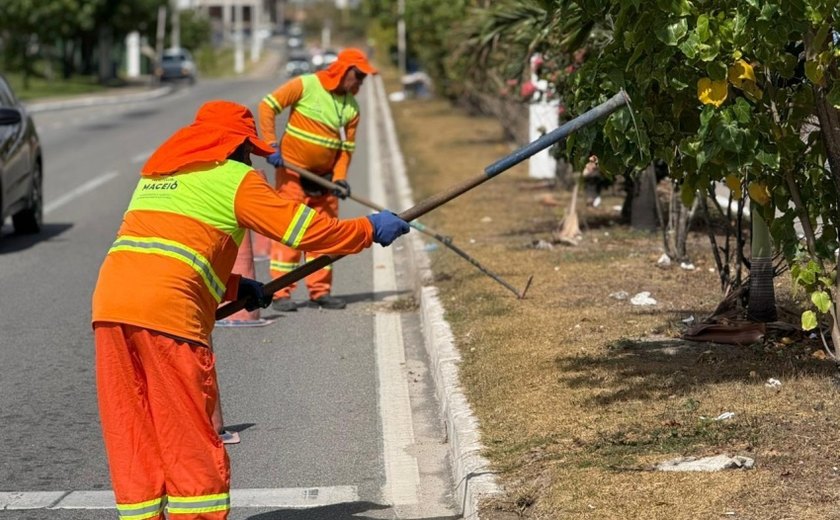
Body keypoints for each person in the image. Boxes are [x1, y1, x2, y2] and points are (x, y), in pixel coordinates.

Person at [91, 100, 409, 520]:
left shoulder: (158, 177)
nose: (251, 157)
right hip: (167, 314)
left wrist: (236, 287)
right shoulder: (236, 179)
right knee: (185, 431)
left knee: (134, 428)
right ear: (238, 146)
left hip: (110, 308)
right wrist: (368, 229)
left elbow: (168, 251)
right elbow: (306, 232)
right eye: (249, 150)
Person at [258, 47, 376, 311]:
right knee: (290, 231)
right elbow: (268, 107)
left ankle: (320, 291)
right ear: (345, 71)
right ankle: (281, 292)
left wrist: (341, 178)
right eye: (358, 76)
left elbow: (347, 149)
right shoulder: (306, 84)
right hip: (292, 174)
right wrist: (271, 145)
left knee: (326, 234)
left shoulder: (351, 107)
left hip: (325, 181)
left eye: (364, 78)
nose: (360, 83)